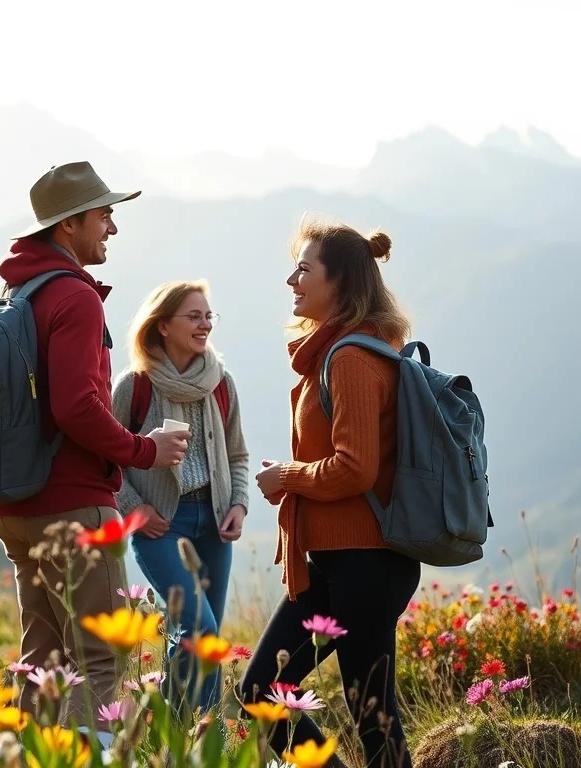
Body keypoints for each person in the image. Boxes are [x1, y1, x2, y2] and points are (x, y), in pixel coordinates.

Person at [0, 161, 191, 729]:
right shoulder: (74, 298)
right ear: (69, 225)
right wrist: (143, 450)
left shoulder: (18, 290)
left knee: (43, 662)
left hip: (19, 507)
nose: (113, 227)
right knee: (99, 661)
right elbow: (76, 407)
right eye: (105, 215)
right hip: (74, 503)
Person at [241, 219, 421, 768]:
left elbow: (355, 469)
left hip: (367, 563)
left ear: (339, 282)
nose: (291, 280)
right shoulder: (337, 353)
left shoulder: (349, 358)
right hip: (334, 563)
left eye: (304, 269)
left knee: (372, 713)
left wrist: (287, 477)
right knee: (262, 691)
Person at [110, 280, 250, 714]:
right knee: (201, 633)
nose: (205, 324)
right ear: (163, 325)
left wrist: (239, 504)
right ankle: (210, 742)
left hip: (214, 526)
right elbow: (106, 462)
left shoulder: (220, 382)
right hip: (161, 528)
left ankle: (168, 741)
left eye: (209, 316)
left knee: (191, 643)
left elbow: (238, 455)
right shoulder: (134, 386)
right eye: (194, 316)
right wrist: (136, 511)